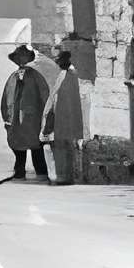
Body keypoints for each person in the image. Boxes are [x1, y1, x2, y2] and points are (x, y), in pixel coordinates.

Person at [0, 44, 51, 182]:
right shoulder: (12, 78)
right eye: (19, 59)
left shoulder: (36, 77)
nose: (22, 63)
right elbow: (6, 99)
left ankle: (41, 172)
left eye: (24, 59)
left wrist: (46, 116)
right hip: (16, 119)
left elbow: (45, 96)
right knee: (18, 147)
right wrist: (6, 117)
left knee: (36, 147)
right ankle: (20, 171)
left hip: (33, 118)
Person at [43, 47, 84, 184]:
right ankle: (66, 176)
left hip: (62, 118)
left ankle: (63, 176)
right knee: (66, 147)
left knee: (61, 147)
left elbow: (56, 97)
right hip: (66, 117)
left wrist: (49, 112)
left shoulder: (67, 76)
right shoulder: (70, 76)